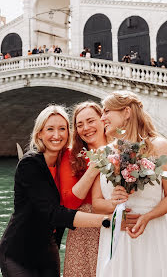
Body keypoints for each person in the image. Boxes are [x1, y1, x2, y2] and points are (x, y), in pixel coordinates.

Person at [0, 105, 112, 277]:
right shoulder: (30, 164)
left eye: (62, 129)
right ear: (40, 134)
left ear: (69, 133)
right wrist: (107, 221)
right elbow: (54, 213)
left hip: (48, 249)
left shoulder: (67, 161)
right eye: (50, 129)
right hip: (19, 251)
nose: (57, 135)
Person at [92, 91, 167, 277]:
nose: (102, 118)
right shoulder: (104, 152)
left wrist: (147, 217)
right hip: (117, 237)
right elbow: (96, 203)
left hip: (153, 234)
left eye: (107, 111)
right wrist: (112, 203)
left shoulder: (159, 146)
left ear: (126, 112)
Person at [60, 102, 107, 277]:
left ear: (103, 120)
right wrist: (94, 167)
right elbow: (70, 203)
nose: (86, 128)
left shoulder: (123, 150)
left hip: (119, 225)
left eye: (90, 121)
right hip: (84, 231)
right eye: (80, 125)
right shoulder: (70, 155)